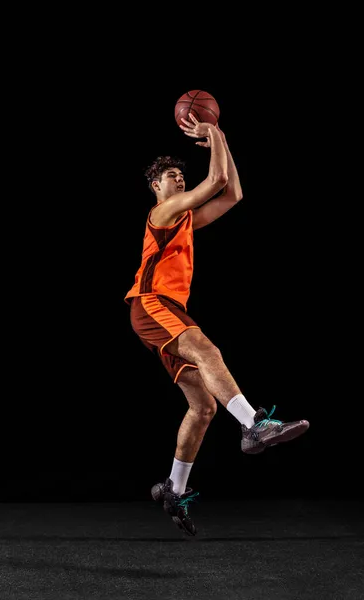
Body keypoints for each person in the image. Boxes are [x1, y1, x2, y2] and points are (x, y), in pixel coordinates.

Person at [124, 113, 309, 536]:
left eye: (179, 175)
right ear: (157, 187)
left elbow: (232, 194)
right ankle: (253, 425)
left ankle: (174, 487)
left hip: (165, 310)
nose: (178, 180)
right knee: (208, 350)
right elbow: (215, 183)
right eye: (171, 176)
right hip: (151, 304)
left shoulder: (185, 221)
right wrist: (214, 133)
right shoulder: (164, 210)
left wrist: (219, 137)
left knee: (203, 407)